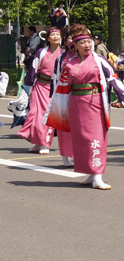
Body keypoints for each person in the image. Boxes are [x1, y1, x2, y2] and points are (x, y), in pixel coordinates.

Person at [45, 23, 124, 189]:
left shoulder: (99, 60)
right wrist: (56, 107)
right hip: (76, 104)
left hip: (95, 103)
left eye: (89, 41)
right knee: (80, 139)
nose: (87, 45)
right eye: (82, 43)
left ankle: (98, 176)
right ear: (75, 45)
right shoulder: (69, 63)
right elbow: (62, 86)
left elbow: (113, 79)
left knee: (96, 139)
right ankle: (89, 172)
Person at [18, 27, 62, 155]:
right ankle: (37, 142)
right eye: (53, 34)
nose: (55, 37)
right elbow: (33, 68)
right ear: (47, 38)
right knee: (35, 114)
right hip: (40, 86)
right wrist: (29, 83)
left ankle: (45, 143)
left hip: (54, 88)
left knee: (47, 116)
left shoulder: (63, 53)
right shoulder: (41, 52)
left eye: (57, 35)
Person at [50, 31, 75, 166]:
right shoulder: (61, 58)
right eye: (70, 37)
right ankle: (66, 156)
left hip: (81, 95)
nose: (72, 41)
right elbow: (55, 78)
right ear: (65, 41)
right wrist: (53, 96)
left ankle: (80, 155)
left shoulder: (87, 57)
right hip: (63, 94)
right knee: (64, 126)